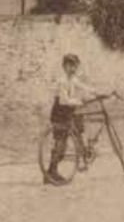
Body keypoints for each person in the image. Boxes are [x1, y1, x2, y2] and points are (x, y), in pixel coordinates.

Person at [44, 54, 110, 185]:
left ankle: (81, 157)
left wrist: (97, 92)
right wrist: (78, 101)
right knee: (60, 144)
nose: (72, 68)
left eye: (74, 66)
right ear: (64, 67)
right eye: (69, 65)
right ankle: (51, 173)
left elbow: (84, 87)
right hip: (59, 113)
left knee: (76, 132)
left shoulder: (72, 79)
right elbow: (64, 100)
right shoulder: (62, 81)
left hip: (68, 112)